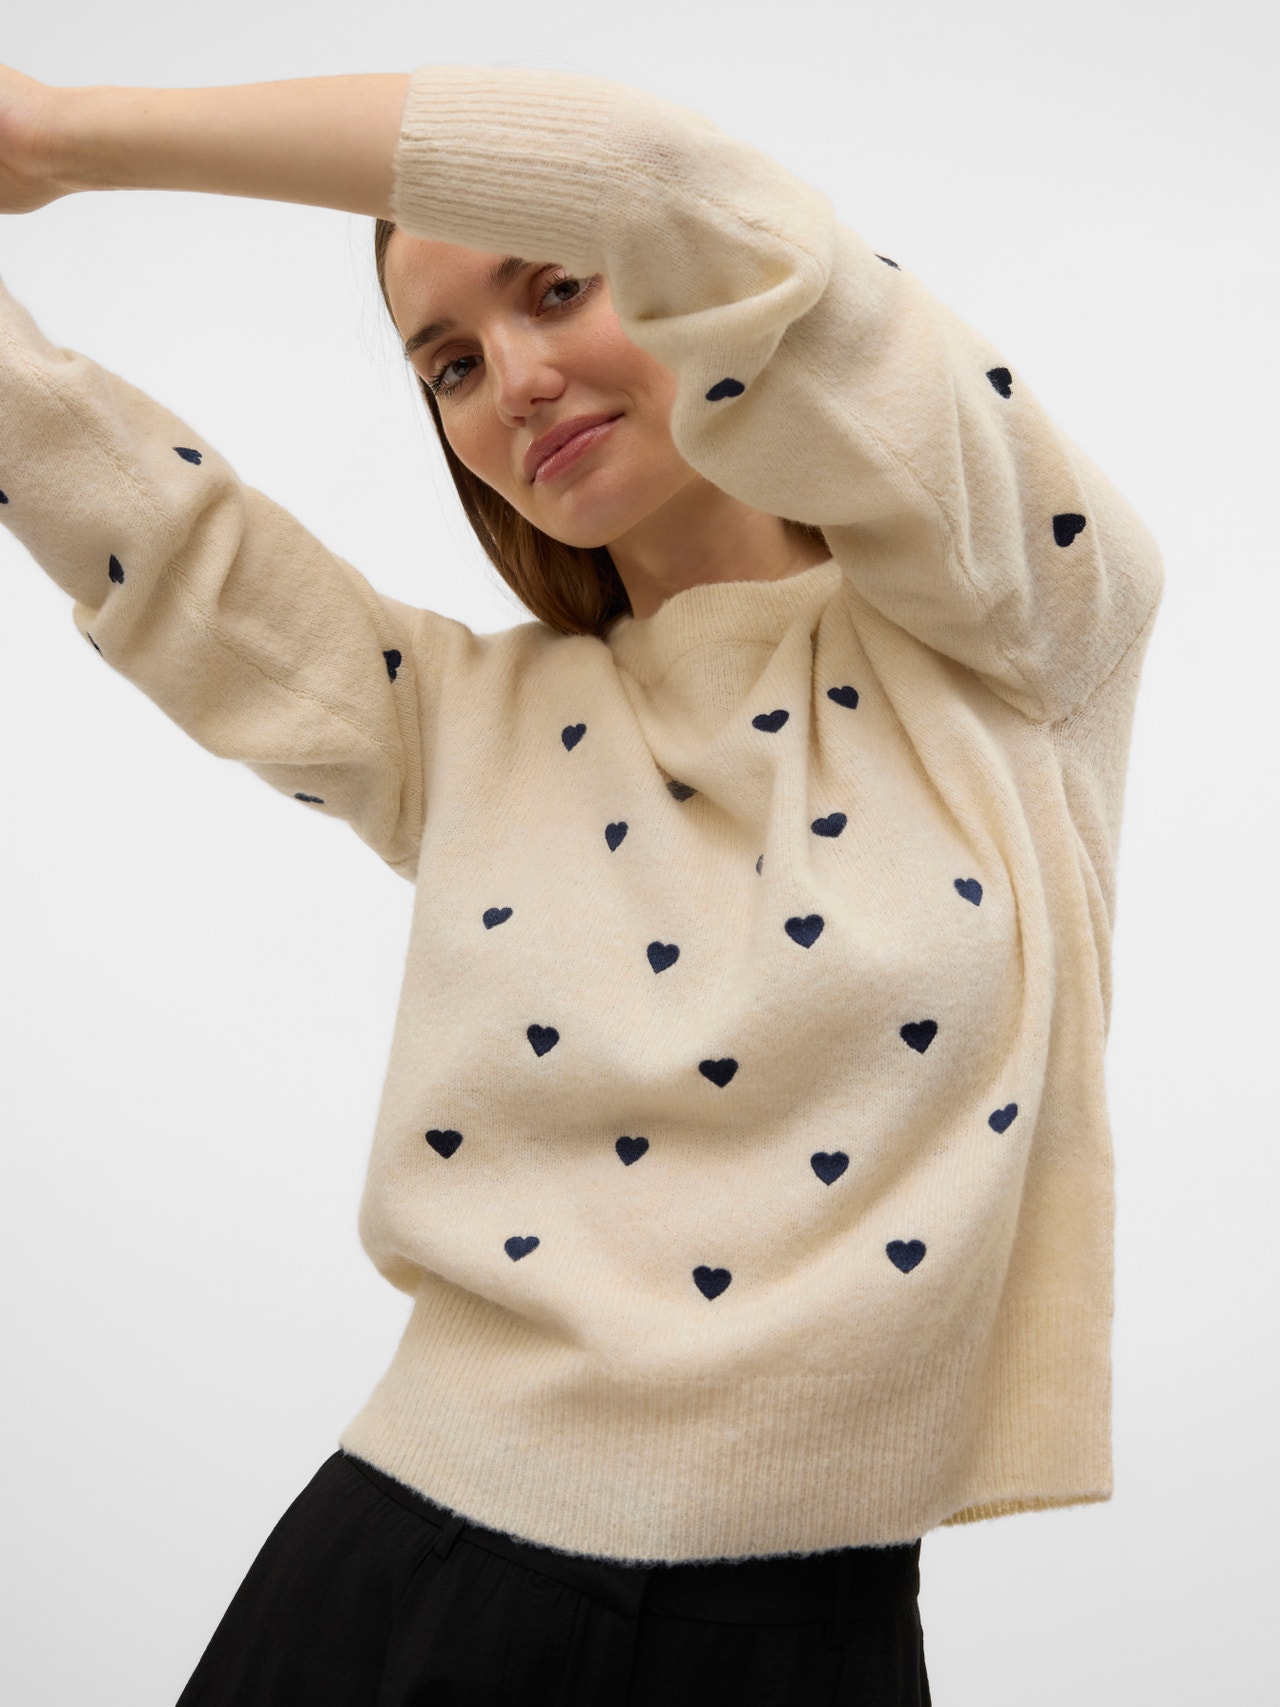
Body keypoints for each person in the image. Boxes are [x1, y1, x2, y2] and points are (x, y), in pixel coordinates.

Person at [0, 59, 1163, 1707]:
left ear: (688, 291)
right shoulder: (460, 726)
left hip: (804, 1637)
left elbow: (658, 175)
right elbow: (163, 545)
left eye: (555, 290)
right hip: (398, 1579)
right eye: (452, 363)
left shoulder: (1032, 628)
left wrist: (50, 137)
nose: (520, 383)